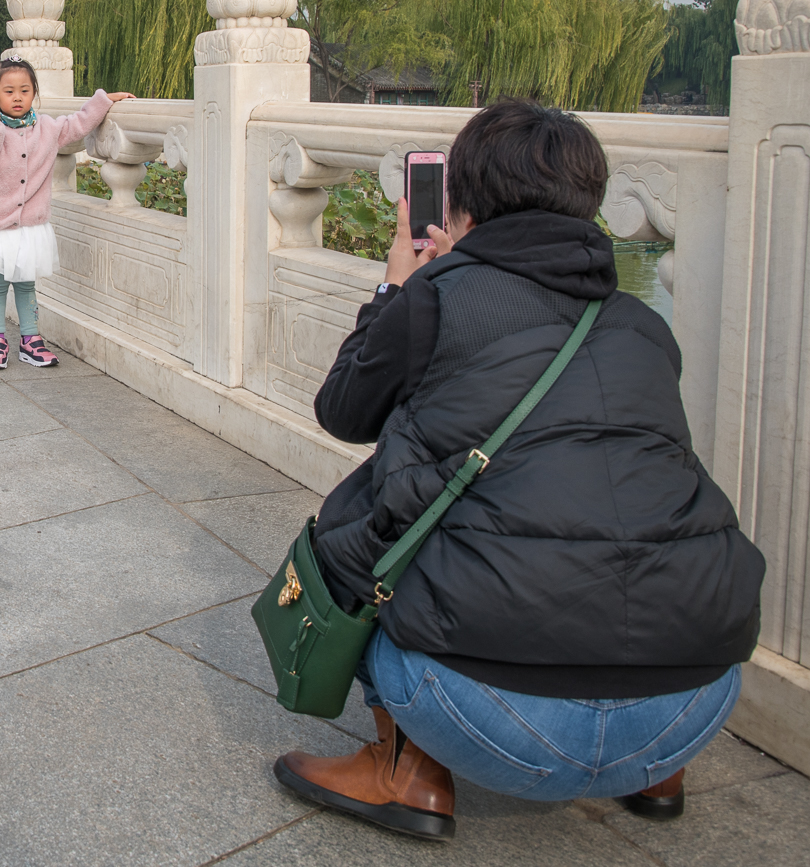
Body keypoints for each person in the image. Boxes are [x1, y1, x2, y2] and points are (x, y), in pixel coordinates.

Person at [274, 99, 765, 840]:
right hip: (693, 705)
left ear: (462, 198)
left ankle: (407, 772)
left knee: (372, 527)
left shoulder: (434, 299)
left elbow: (343, 411)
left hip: (492, 722)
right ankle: (656, 772)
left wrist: (397, 288)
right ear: (589, 201)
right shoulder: (641, 325)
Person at [0, 56, 133, 369]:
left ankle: (30, 339)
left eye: (24, 90)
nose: (17, 97)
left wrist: (104, 100)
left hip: (30, 225)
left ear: (33, 94)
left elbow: (78, 123)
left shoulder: (48, 129)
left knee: (26, 283)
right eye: (8, 91)